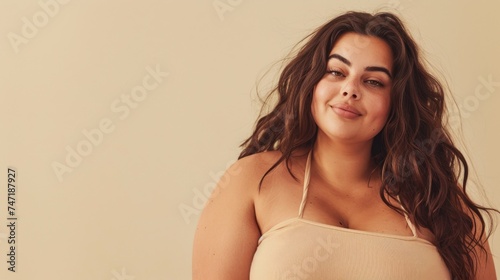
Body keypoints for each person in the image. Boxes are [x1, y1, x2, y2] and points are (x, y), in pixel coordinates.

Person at [192, 11, 497, 280]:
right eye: (336, 72)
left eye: (373, 82)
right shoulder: (252, 180)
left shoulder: (438, 198)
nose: (350, 90)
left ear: (396, 103)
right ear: (311, 83)